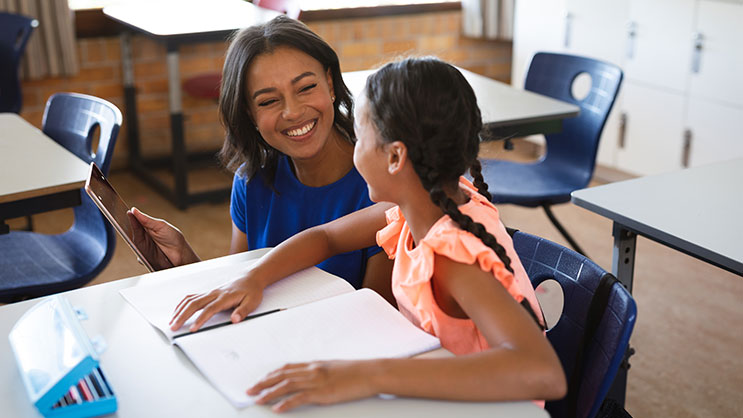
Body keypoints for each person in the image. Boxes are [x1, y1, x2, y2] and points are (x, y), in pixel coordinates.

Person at [169, 57, 567, 412]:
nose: (353, 150)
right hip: (433, 382)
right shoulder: (419, 208)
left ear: (395, 156)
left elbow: (542, 372)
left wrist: (366, 376)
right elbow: (324, 237)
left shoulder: (451, 255)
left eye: (360, 137)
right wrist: (252, 277)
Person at [128, 15, 394, 303]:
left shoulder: (384, 184)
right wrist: (183, 259)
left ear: (330, 84)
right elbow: (238, 286)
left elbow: (378, 315)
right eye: (268, 101)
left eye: (305, 88)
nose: (292, 112)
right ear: (249, 114)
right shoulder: (251, 180)